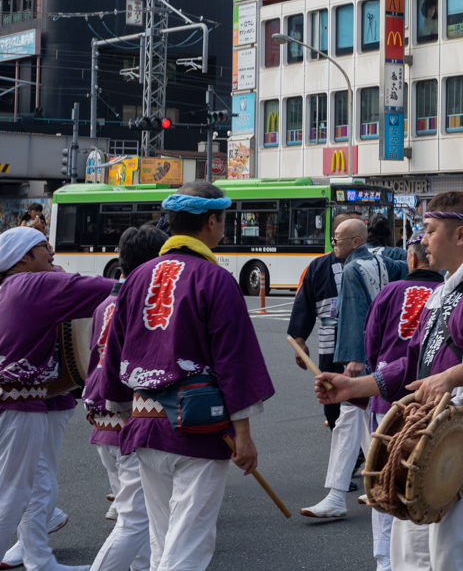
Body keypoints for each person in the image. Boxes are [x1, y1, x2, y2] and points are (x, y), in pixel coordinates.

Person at [316, 191, 463, 571]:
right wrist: (356, 387)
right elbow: (415, 367)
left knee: (460, 562)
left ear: (460, 235)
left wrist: (450, 377)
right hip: (430, 441)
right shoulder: (444, 290)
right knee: (411, 561)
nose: (421, 239)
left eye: (429, 230)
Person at [96, 182, 274, 571]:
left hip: (144, 425)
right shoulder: (215, 278)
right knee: (188, 544)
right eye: (222, 220)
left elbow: (115, 350)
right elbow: (234, 359)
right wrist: (243, 434)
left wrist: (122, 409)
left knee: (164, 540)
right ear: (212, 221)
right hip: (199, 428)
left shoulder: (138, 276)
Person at [0, 225, 112, 571]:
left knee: (22, 485)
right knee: (14, 493)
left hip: (20, 400)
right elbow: (109, 288)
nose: (52, 253)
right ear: (23, 258)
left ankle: (38, 558)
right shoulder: (33, 284)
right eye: (44, 248)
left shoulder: (7, 286)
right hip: (19, 404)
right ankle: (35, 556)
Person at [303, 217, 406, 519]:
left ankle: (341, 494)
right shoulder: (385, 260)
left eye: (338, 238)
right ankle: (375, 482)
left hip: (364, 355)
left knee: (353, 419)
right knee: (365, 421)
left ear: (356, 241)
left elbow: (353, 312)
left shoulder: (352, 267)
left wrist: (352, 358)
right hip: (385, 351)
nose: (334, 243)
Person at [82, 224, 165, 571]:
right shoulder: (145, 304)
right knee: (135, 519)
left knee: (139, 517)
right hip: (131, 418)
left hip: (103, 418)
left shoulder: (105, 305)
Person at [360, 237, 444, 570]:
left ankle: (385, 558)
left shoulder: (390, 291)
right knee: (430, 479)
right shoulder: (451, 294)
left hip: (388, 399)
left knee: (384, 476)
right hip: (434, 398)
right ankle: (430, 553)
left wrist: (378, 376)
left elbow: (371, 344)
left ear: (411, 258)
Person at [288, 211, 364, 431]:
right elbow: (304, 304)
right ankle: (342, 439)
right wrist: (299, 340)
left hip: (365, 343)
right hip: (330, 344)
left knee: (364, 399)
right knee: (332, 399)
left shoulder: (371, 265)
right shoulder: (318, 267)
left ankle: (363, 450)